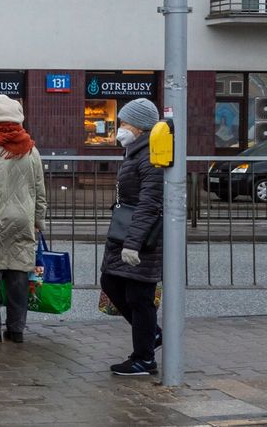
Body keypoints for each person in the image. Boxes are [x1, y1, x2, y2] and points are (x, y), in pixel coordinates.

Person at [0, 94, 47, 344]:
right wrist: (39, 219)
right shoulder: (30, 147)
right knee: (18, 276)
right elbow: (40, 188)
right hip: (23, 219)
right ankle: (16, 329)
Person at [101, 97, 164, 376]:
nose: (121, 127)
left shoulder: (151, 156)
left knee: (139, 295)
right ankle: (152, 336)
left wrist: (132, 244)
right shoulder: (136, 152)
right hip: (127, 233)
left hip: (141, 239)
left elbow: (149, 203)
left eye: (125, 122)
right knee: (111, 282)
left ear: (139, 126)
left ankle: (144, 358)